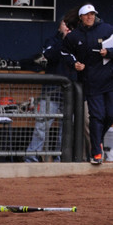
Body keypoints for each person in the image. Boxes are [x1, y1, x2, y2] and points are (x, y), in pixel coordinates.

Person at [63, 4, 113, 164]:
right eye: (86, 15)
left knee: (112, 115)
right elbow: (65, 52)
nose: (89, 17)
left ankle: (96, 140)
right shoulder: (74, 36)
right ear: (81, 17)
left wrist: (110, 52)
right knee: (96, 116)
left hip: (111, 79)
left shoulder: (108, 29)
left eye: (92, 14)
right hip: (91, 81)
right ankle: (96, 152)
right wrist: (74, 64)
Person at [26, 10, 76, 162]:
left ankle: (61, 160)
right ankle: (31, 158)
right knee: (41, 128)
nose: (67, 27)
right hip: (51, 93)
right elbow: (50, 55)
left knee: (66, 131)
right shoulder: (52, 41)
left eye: (70, 25)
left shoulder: (80, 42)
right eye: (64, 23)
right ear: (59, 26)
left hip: (71, 94)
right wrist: (65, 41)